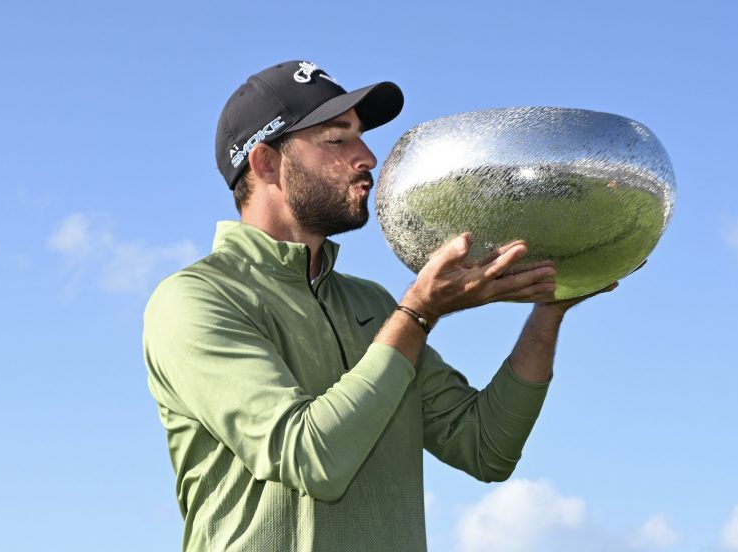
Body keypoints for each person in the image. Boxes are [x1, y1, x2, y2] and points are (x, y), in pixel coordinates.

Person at [143, 60, 617, 552]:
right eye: (337, 140)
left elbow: (486, 447)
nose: (368, 156)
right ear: (265, 163)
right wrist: (417, 314)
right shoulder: (196, 299)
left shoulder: (369, 303)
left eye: (361, 137)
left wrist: (550, 309)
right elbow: (312, 458)